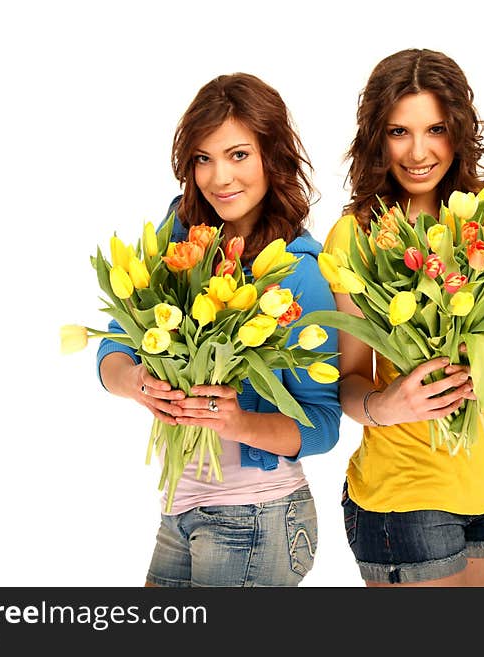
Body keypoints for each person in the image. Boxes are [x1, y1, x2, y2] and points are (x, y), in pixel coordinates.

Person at [97, 73, 341, 587]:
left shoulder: (299, 273)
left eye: (238, 155)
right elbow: (117, 341)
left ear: (271, 159)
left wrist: (238, 423)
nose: (219, 178)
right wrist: (138, 382)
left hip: (256, 516)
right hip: (179, 510)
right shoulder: (181, 236)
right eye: (203, 159)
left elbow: (323, 423)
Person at [323, 49, 484, 587]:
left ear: (460, 130)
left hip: (481, 493)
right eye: (399, 131)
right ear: (376, 137)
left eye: (437, 129)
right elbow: (349, 382)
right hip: (400, 495)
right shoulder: (356, 234)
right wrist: (387, 403)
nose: (419, 152)